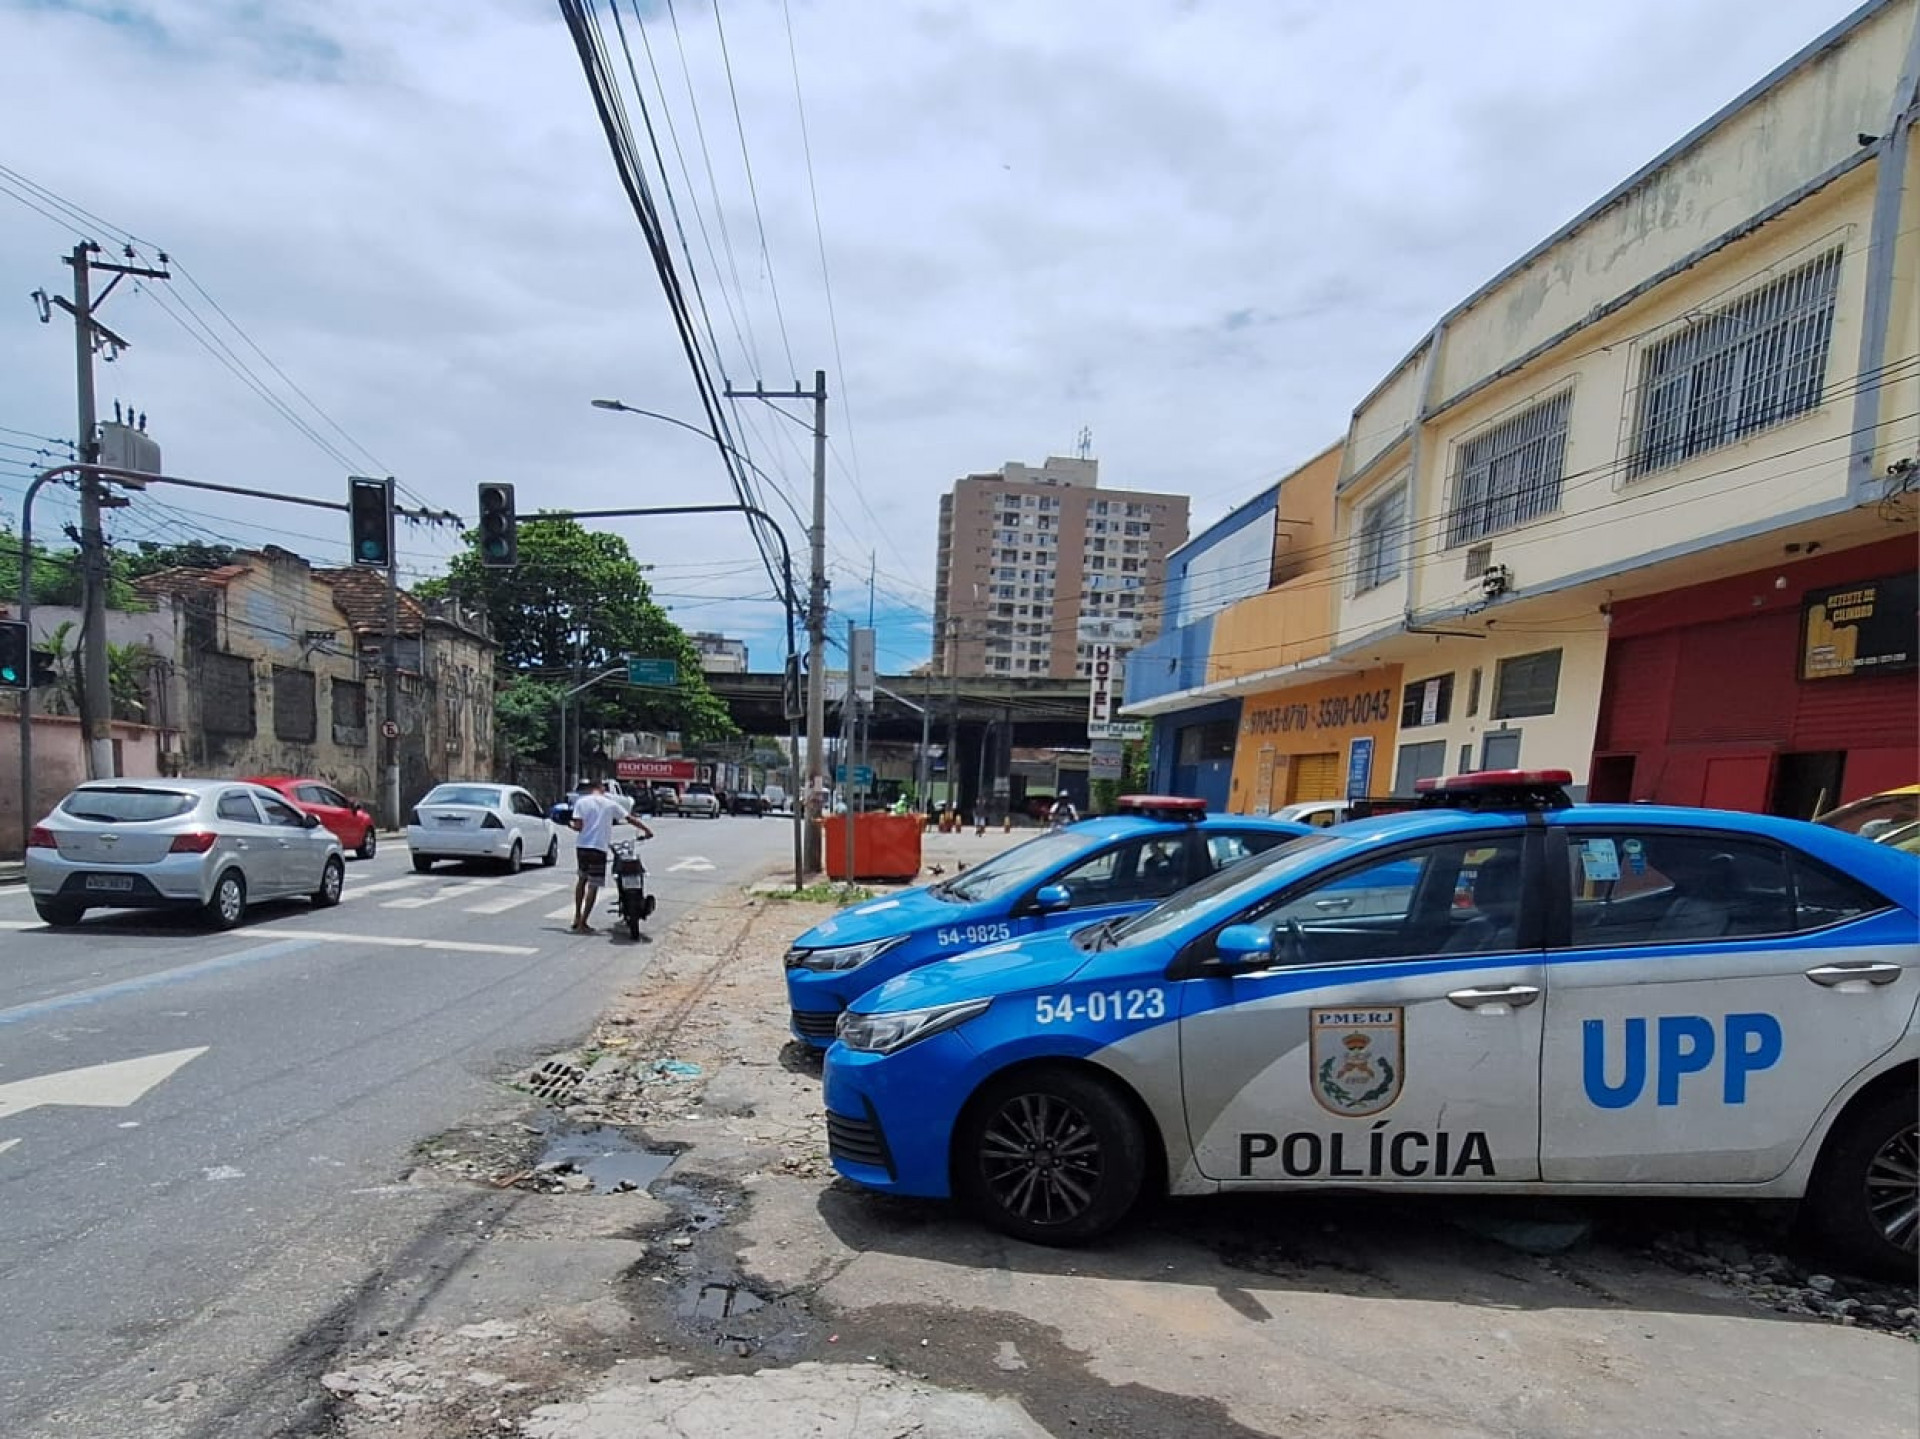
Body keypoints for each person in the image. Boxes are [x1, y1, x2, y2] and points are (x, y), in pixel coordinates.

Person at [570, 777, 651, 934]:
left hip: (582, 847)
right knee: (593, 885)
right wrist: (647, 830)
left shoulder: (581, 802)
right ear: (601, 788)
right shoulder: (609, 803)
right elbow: (629, 818)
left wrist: (571, 825)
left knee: (582, 880)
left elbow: (578, 826)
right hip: (599, 848)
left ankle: (577, 916)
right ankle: (583, 922)